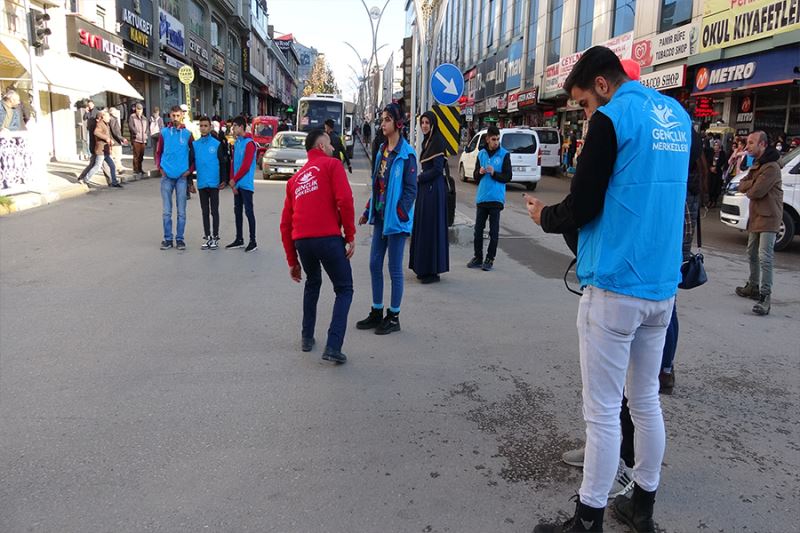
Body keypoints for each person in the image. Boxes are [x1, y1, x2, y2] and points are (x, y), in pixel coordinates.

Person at [526, 46, 691, 532]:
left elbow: (583, 205)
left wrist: (543, 217)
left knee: (600, 412)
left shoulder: (612, 118)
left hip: (615, 285)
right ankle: (642, 508)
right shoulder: (678, 117)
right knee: (645, 401)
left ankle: (588, 518)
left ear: (602, 84)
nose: (585, 112)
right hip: (661, 287)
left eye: (583, 103)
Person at [280, 129, 356, 364]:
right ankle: (333, 345)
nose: (334, 148)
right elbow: (345, 200)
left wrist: (293, 261)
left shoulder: (295, 180)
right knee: (344, 288)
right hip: (328, 238)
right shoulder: (332, 166)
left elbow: (285, 224)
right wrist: (350, 235)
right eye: (331, 144)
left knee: (313, 283)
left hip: (303, 242)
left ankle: (307, 337)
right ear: (322, 146)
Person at [355, 103, 417, 335]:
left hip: (396, 221)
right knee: (373, 264)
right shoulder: (381, 150)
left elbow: (411, 190)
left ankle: (394, 316)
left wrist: (401, 213)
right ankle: (376, 311)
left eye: (387, 119)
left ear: (398, 123)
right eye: (382, 119)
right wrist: (368, 210)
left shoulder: (407, 154)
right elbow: (377, 185)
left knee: (394, 268)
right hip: (380, 216)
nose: (382, 124)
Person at [735, 131, 783, 316]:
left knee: (765, 257)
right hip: (757, 216)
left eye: (752, 143)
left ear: (762, 144)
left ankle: (765, 296)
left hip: (769, 217)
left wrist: (751, 183)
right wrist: (752, 183)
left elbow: (756, 191)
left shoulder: (771, 167)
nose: (747, 146)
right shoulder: (758, 164)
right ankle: (753, 286)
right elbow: (742, 184)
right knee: (751, 252)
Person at [409, 111, 450, 283]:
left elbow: (437, 169)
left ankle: (432, 271)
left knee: (430, 228)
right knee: (425, 227)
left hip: (433, 190)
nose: (424, 125)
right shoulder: (428, 141)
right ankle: (424, 268)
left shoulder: (437, 141)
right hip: (427, 189)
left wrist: (419, 178)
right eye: (422, 122)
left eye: (427, 122)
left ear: (433, 124)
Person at [466, 125, 512, 272]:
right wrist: (479, 172)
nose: (496, 142)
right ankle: (478, 257)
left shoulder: (504, 155)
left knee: (494, 232)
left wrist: (494, 174)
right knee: (478, 230)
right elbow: (474, 176)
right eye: (493, 139)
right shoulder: (481, 154)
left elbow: (508, 177)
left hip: (496, 199)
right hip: (482, 198)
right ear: (487, 139)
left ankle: (490, 259)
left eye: (498, 139)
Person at [155, 106, 194, 250]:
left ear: (182, 116)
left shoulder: (187, 134)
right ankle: (167, 239)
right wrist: (160, 167)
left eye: (178, 115)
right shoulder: (164, 133)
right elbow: (158, 152)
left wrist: (189, 170)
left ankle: (180, 239)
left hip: (181, 178)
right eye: (173, 115)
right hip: (167, 177)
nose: (175, 118)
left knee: (181, 211)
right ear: (170, 116)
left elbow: (193, 154)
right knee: (166, 211)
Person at [193, 116, 230, 250]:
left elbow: (222, 163)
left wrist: (223, 180)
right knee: (204, 211)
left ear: (210, 127)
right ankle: (207, 236)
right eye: (201, 126)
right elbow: (191, 163)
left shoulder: (217, 144)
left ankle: (215, 236)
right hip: (202, 182)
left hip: (214, 183)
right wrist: (189, 181)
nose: (203, 128)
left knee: (214, 211)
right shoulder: (195, 145)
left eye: (205, 126)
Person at [226, 116, 258, 252]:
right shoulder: (237, 143)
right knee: (237, 211)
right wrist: (232, 182)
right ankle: (239, 238)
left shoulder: (249, 144)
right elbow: (234, 163)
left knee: (248, 211)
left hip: (245, 183)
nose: (232, 129)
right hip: (237, 183)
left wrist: (235, 180)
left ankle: (253, 240)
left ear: (241, 126)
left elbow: (246, 165)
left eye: (234, 126)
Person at [76, 110, 122, 188]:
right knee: (97, 166)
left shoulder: (106, 124)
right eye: (107, 116)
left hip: (105, 150)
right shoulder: (100, 124)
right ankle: (86, 179)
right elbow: (96, 132)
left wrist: (110, 141)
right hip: (100, 150)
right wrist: (106, 138)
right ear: (103, 117)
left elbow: (108, 135)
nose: (109, 118)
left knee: (112, 166)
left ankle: (114, 182)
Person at [128, 103, 148, 179]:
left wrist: (146, 134)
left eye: (140, 109)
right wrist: (136, 133)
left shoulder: (144, 118)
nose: (139, 111)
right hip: (136, 139)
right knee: (136, 155)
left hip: (143, 139)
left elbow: (147, 127)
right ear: (136, 109)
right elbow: (131, 126)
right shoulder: (132, 117)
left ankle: (140, 168)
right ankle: (136, 169)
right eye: (138, 109)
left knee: (141, 155)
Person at [707, 140, 726, 207]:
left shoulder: (722, 153)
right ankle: (710, 200)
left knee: (716, 186)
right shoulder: (711, 153)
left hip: (718, 172)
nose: (716, 147)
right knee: (710, 186)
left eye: (717, 145)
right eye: (715, 145)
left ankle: (714, 200)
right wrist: (710, 167)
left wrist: (716, 167)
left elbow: (723, 161)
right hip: (711, 172)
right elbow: (708, 161)